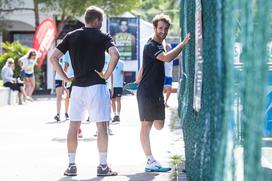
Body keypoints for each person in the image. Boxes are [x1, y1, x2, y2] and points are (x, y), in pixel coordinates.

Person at [50, 6, 119, 177]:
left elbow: (53, 57)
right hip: (97, 85)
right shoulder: (103, 36)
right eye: (101, 21)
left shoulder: (71, 36)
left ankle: (71, 165)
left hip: (77, 87)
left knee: (74, 126)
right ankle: (103, 166)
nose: (101, 24)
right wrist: (106, 74)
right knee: (101, 126)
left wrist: (66, 78)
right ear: (96, 20)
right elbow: (115, 55)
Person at [136, 14, 190, 172]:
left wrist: (138, 78)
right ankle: (150, 161)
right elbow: (167, 58)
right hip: (146, 93)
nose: (163, 31)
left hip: (156, 93)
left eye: (166, 29)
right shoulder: (151, 46)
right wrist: (183, 43)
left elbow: (145, 67)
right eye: (160, 28)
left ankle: (151, 160)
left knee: (159, 125)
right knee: (146, 125)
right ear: (155, 28)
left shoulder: (160, 45)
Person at [63, 52, 83, 138]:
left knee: (79, 104)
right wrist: (64, 81)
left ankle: (78, 128)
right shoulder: (67, 53)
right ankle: (78, 128)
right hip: (72, 80)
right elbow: (65, 68)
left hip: (81, 79)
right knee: (76, 104)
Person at [53, 54, 69, 122]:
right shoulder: (58, 52)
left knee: (68, 96)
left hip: (68, 77)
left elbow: (66, 67)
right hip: (58, 77)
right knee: (59, 96)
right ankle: (58, 114)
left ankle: (66, 113)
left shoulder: (68, 51)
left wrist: (64, 82)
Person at [163, 42, 173, 107]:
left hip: (169, 75)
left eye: (170, 48)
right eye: (168, 47)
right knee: (162, 89)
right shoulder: (164, 55)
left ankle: (165, 102)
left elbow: (178, 55)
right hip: (164, 75)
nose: (169, 48)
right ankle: (162, 102)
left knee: (169, 89)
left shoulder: (172, 56)